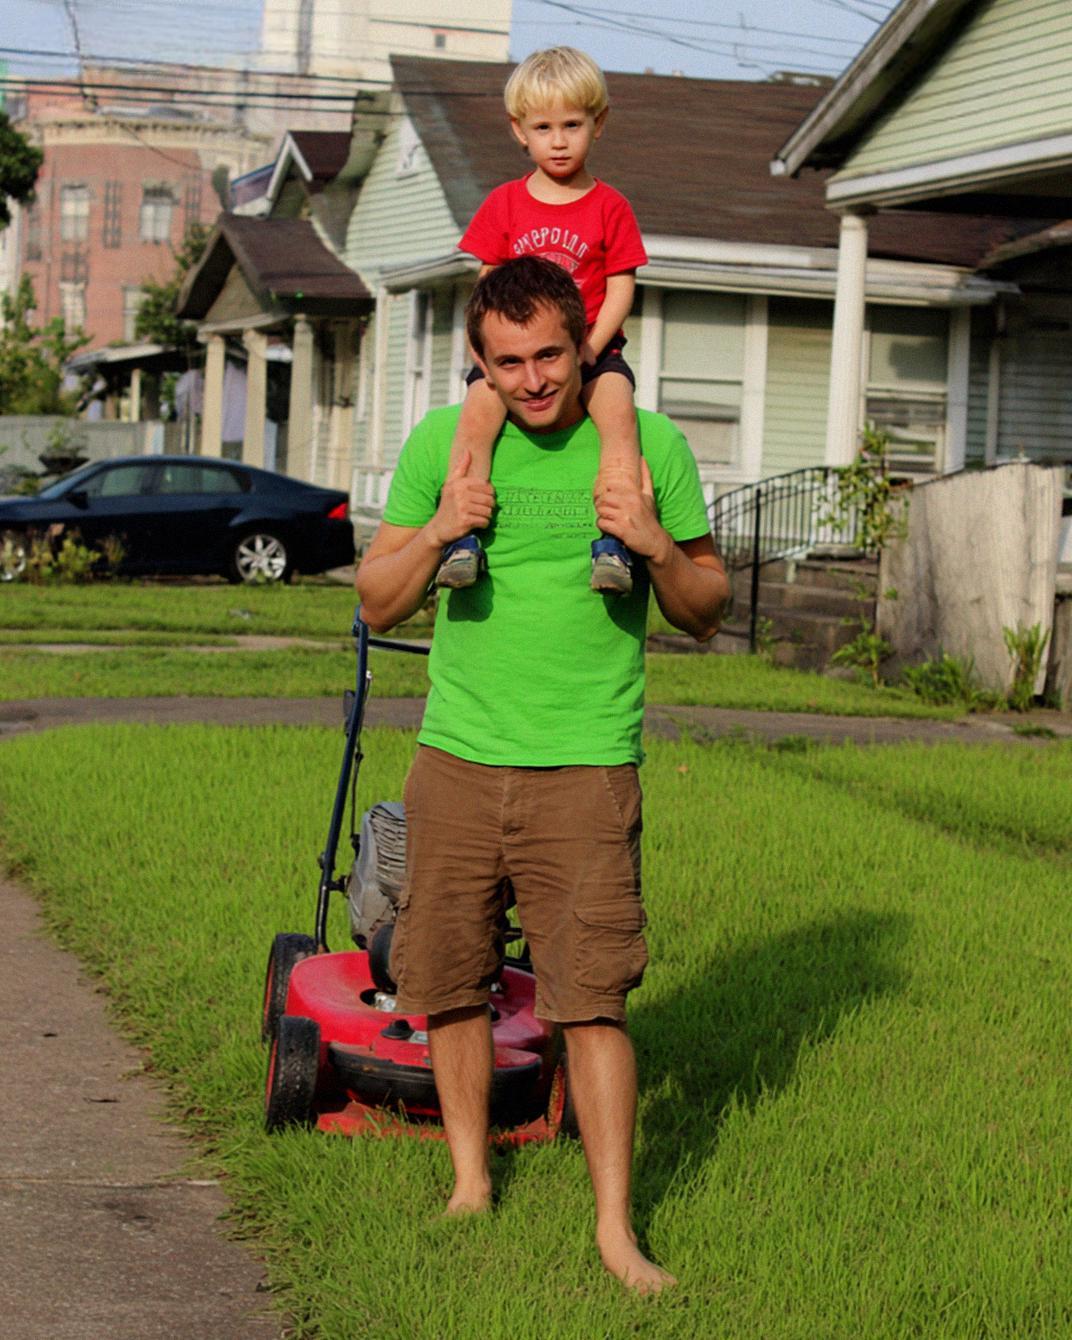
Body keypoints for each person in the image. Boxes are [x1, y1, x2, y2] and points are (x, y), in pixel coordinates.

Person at [356, 256, 728, 1294]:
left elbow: (708, 607)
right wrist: (442, 528)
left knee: (593, 1000)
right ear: (480, 363)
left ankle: (616, 1230)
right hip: (457, 760)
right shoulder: (444, 444)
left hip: (587, 766)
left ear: (584, 346)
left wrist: (654, 546)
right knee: (448, 981)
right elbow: (376, 600)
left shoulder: (646, 446)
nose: (532, 380)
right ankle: (470, 1182)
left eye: (550, 356)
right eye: (508, 362)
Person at [436, 45, 649, 598]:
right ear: (519, 131)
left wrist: (590, 347)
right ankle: (461, 539)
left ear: (598, 124)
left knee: (619, 423)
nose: (558, 141)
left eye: (572, 125)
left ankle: (614, 544)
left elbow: (621, 286)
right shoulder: (505, 203)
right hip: (514, 356)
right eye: (543, 127)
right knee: (475, 421)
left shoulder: (611, 206)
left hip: (594, 353)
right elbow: (486, 286)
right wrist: (483, 353)